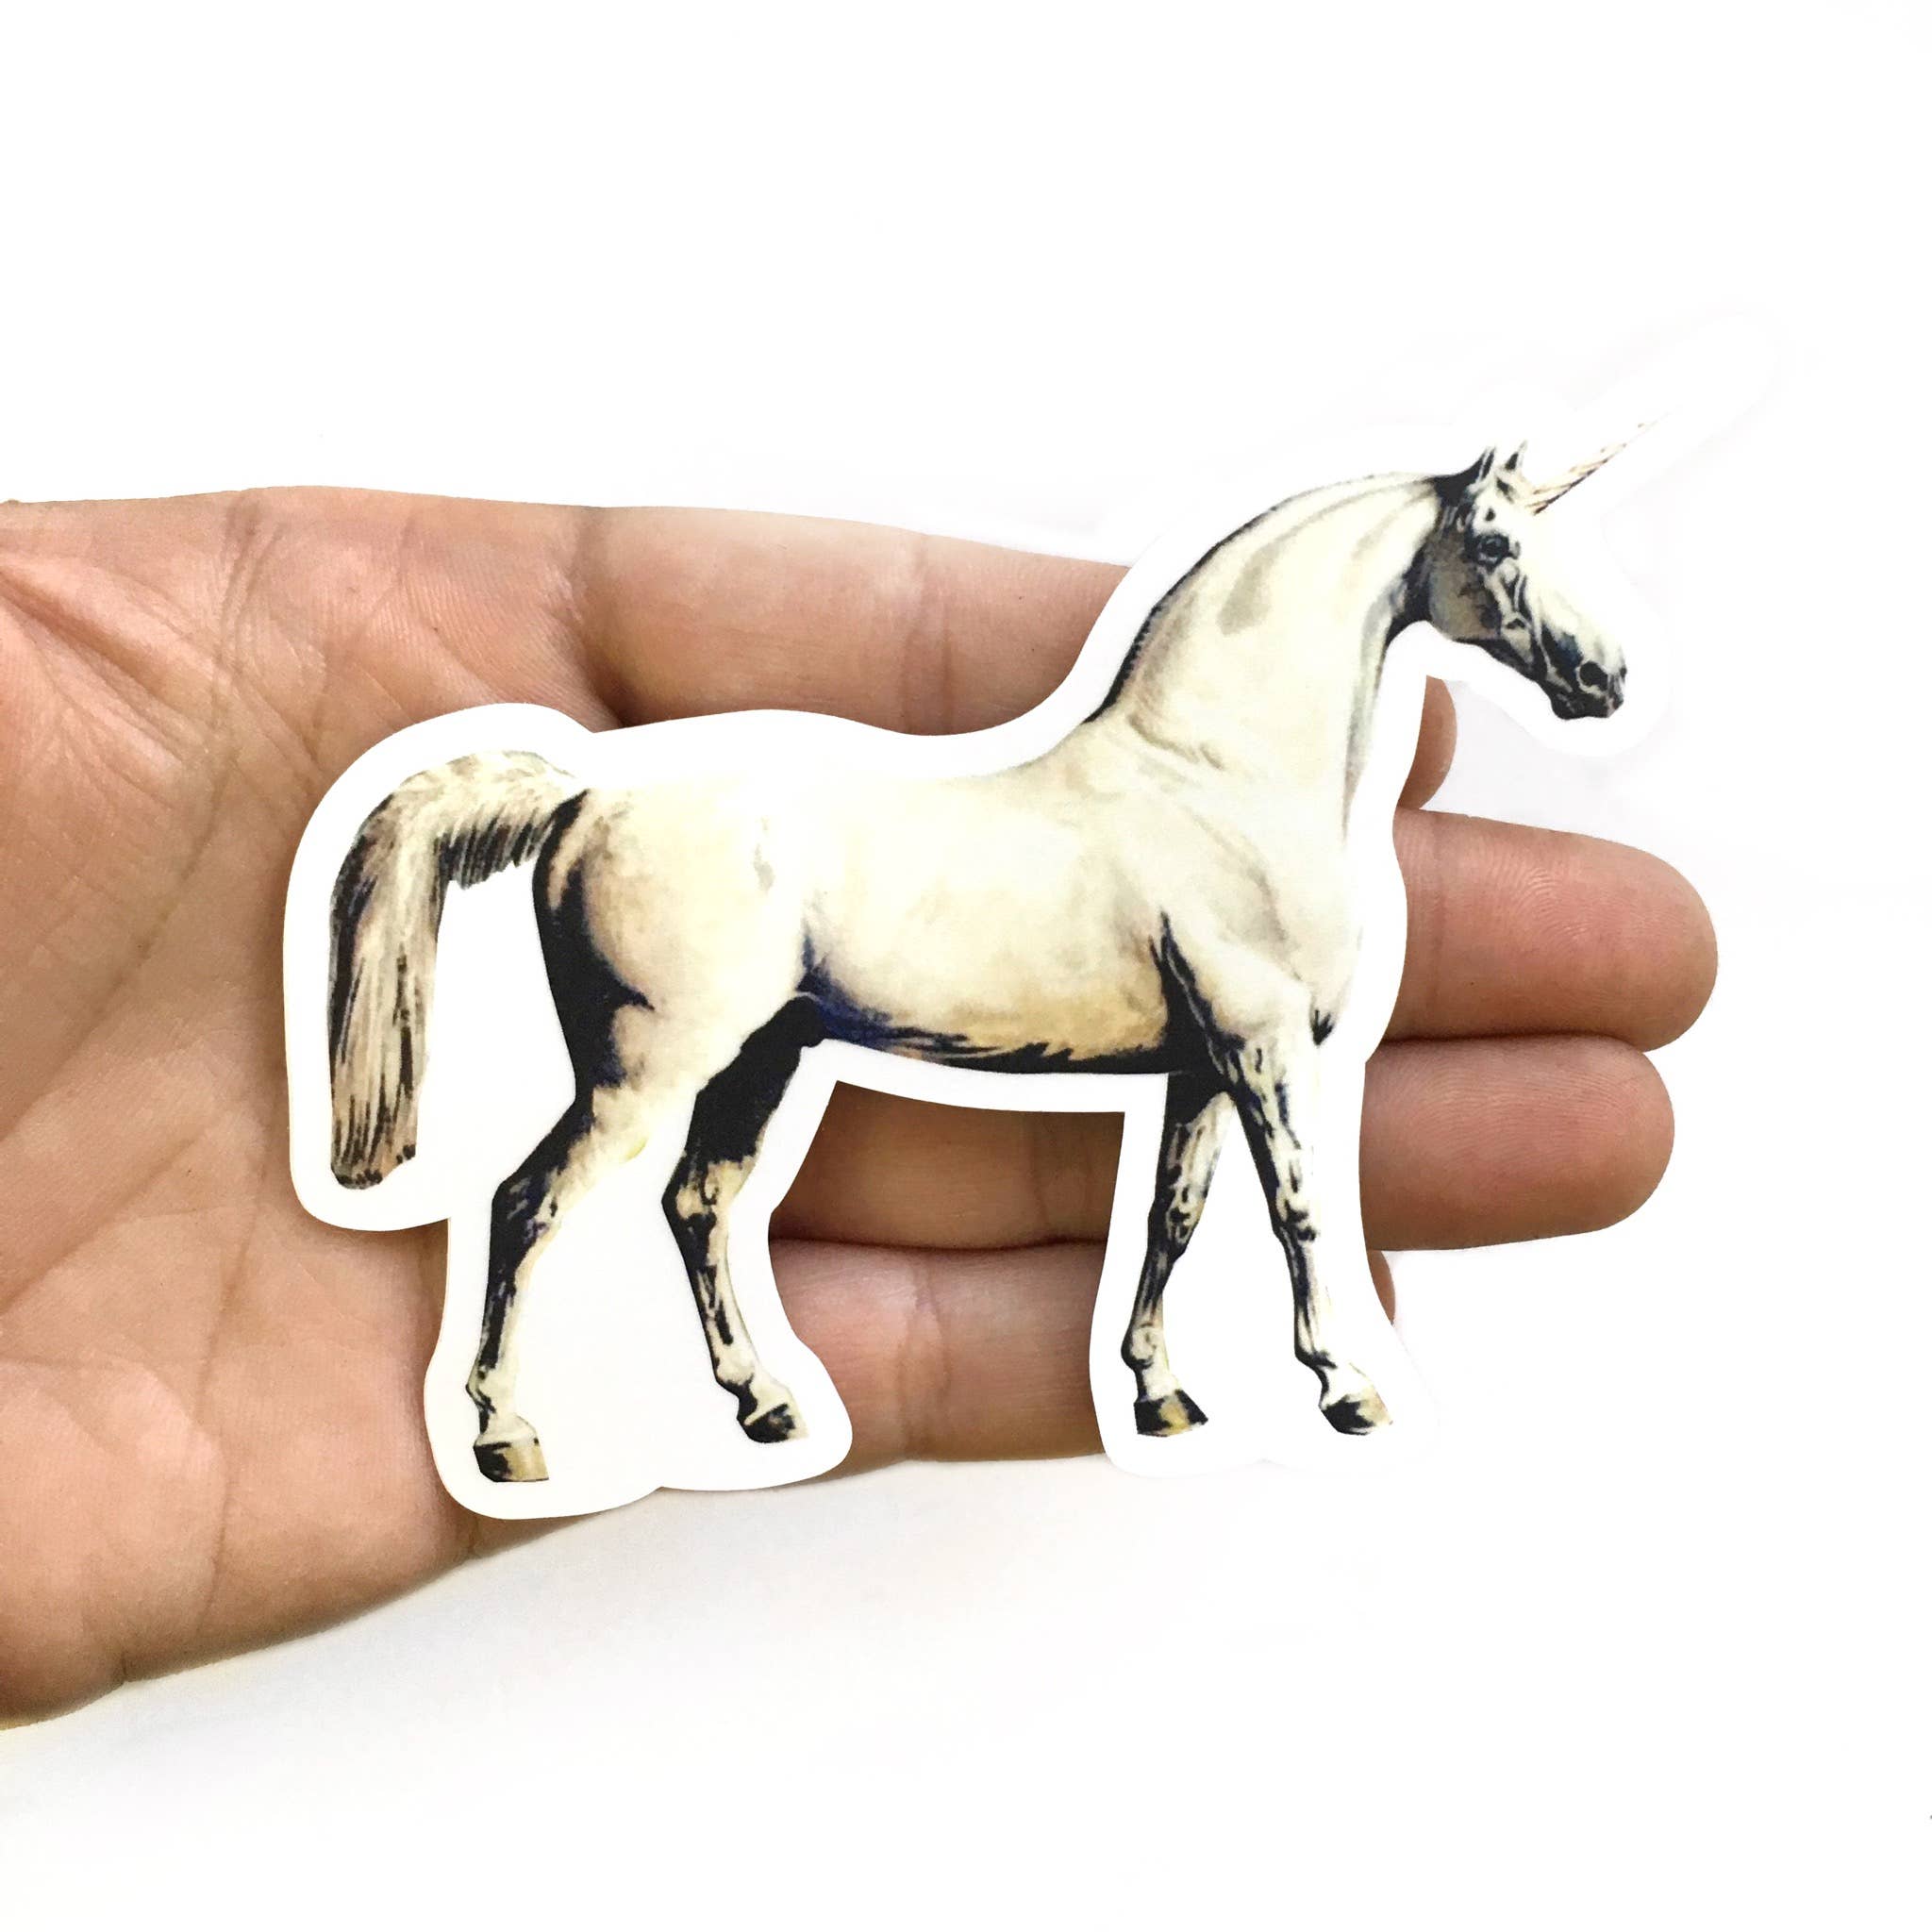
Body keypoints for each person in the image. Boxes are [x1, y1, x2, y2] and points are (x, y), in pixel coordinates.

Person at [0, 490, 1715, 1722]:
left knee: (717, 1171)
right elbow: (1283, 1115)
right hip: (764, 884)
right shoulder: (1167, 833)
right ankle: (500, 1366)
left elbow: (1228, 1089)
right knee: (623, 1128)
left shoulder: (1228, 813)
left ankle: (1112, 1349)